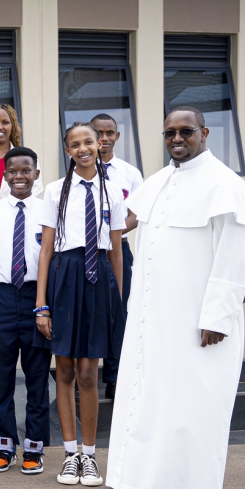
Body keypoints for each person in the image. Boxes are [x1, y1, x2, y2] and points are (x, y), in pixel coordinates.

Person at [108, 107, 245, 489]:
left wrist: (217, 318)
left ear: (204, 133)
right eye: (169, 133)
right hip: (153, 318)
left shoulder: (223, 185)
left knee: (193, 403)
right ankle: (146, 483)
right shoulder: (158, 181)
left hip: (196, 319)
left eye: (186, 132)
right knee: (151, 396)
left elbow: (232, 260)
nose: (177, 139)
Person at [35, 122, 126, 489]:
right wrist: (41, 304)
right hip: (66, 274)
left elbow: (116, 251)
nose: (84, 148)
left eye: (89, 141)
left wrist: (117, 300)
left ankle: (90, 455)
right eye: (76, 144)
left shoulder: (112, 193)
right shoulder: (56, 191)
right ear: (68, 150)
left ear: (100, 144)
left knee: (90, 373)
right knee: (66, 370)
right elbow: (44, 250)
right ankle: (69, 455)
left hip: (98, 278)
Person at [0, 146, 52, 475]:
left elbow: (53, 260)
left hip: (37, 299)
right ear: (4, 176)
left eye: (26, 171)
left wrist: (45, 303)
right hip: (1, 298)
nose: (19, 177)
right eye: (13, 172)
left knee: (37, 377)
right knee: (0, 377)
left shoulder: (48, 211)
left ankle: (34, 447)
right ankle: (4, 442)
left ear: (36, 174)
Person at [91, 113, 144, 400]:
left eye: (110, 132)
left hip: (118, 249)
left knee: (117, 312)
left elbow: (136, 213)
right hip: (88, 252)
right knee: (89, 311)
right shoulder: (79, 170)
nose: (105, 138)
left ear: (117, 136)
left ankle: (113, 377)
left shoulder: (130, 173)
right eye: (99, 133)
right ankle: (85, 374)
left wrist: (113, 231)